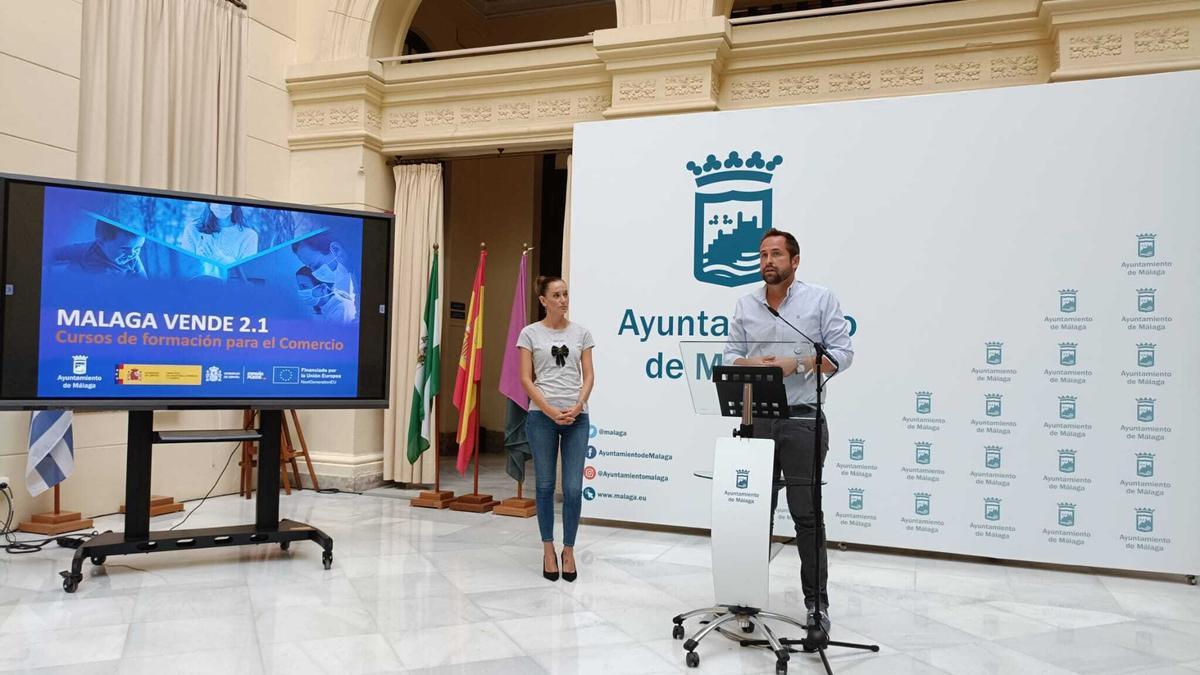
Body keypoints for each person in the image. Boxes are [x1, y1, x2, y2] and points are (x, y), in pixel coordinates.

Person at [722, 228, 853, 636]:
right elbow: (729, 357)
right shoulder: (746, 304)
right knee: (752, 515)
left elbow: (841, 355)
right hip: (757, 419)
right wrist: (754, 365)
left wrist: (794, 364)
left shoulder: (820, 299)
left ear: (794, 261)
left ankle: (816, 606)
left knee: (806, 517)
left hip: (803, 419)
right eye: (763, 255)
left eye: (776, 254)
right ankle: (745, 599)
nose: (768, 262)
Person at [518, 276, 595, 582]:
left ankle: (569, 549)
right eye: (557, 295)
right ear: (543, 300)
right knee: (546, 486)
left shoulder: (582, 333)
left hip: (577, 418)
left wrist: (578, 405)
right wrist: (550, 411)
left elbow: (588, 376)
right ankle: (548, 548)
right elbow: (525, 378)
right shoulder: (529, 334)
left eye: (566, 294)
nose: (563, 300)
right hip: (541, 418)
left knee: (574, 488)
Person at [178, 202, 259, 278]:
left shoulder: (249, 236)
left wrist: (220, 258)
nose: (220, 206)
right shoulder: (192, 230)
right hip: (196, 288)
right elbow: (184, 269)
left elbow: (246, 276)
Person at [292, 232, 357, 322]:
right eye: (310, 268)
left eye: (316, 265)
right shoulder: (344, 278)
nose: (315, 274)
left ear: (336, 249)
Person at [52, 219, 147, 278]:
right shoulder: (88, 250)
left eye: (138, 248)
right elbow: (59, 253)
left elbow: (143, 280)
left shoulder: (133, 259)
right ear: (101, 243)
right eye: (124, 249)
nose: (132, 253)